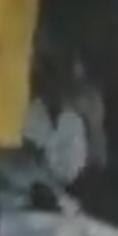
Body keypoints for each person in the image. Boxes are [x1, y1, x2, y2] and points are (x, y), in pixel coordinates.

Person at [22, 56, 90, 193]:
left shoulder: (74, 123)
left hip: (63, 198)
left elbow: (72, 171)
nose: (53, 86)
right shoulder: (25, 115)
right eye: (47, 80)